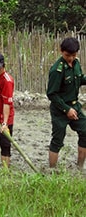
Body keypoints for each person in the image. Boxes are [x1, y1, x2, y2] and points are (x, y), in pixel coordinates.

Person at [47, 37, 86, 169]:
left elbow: (80, 79)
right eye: (67, 55)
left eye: (73, 55)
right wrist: (66, 110)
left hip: (75, 106)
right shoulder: (57, 70)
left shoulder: (76, 64)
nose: (70, 58)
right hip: (60, 110)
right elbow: (51, 94)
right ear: (61, 51)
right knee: (58, 139)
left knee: (85, 131)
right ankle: (52, 170)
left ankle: (80, 167)